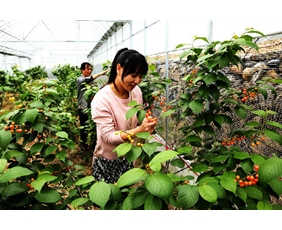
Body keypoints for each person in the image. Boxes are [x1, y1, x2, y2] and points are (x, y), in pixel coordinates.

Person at [90, 48, 157, 183]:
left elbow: (137, 114)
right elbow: (108, 136)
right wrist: (139, 130)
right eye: (133, 75)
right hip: (106, 161)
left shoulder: (136, 91)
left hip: (128, 156)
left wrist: (146, 121)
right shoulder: (102, 99)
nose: (138, 80)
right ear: (119, 69)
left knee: (125, 198)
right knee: (108, 200)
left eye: (141, 76)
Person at [76, 62, 107, 152]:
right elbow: (88, 80)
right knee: (84, 128)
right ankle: (84, 146)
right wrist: (101, 73)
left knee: (93, 126)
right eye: (87, 69)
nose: (89, 71)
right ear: (82, 70)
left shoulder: (92, 81)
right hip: (83, 107)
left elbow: (95, 91)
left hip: (91, 107)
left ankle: (93, 146)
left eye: (90, 69)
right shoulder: (80, 79)